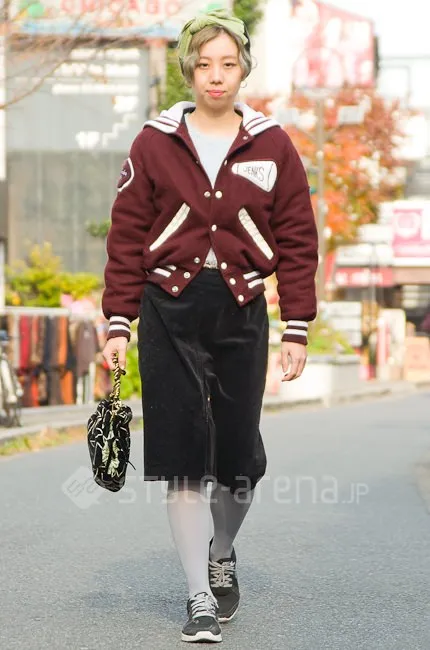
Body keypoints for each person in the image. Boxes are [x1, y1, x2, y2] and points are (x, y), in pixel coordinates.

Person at [101, 8, 318, 644]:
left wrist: (297, 323)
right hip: (167, 306)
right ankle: (198, 593)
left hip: (242, 306)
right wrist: (118, 323)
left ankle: (223, 550)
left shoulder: (273, 144)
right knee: (182, 456)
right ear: (187, 71)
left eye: (227, 64)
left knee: (240, 458)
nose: (215, 76)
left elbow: (298, 238)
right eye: (203, 64)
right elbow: (126, 235)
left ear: (244, 69)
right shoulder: (155, 142)